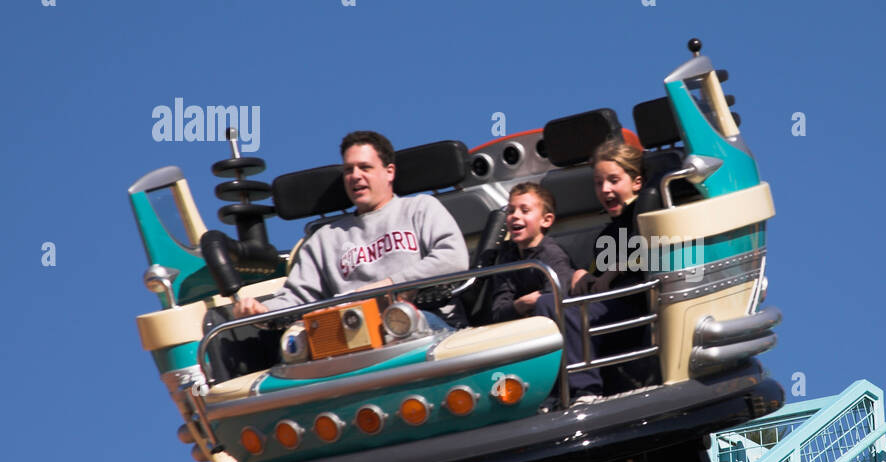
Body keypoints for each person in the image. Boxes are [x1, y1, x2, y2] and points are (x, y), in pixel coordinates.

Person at [232, 130, 469, 323]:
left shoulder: (420, 208)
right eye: (348, 170)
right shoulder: (323, 240)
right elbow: (296, 298)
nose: (355, 176)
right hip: (353, 335)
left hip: (426, 323)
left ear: (389, 172)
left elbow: (453, 259)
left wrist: (389, 287)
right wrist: (260, 310)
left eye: (365, 167)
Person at [535, 139, 659, 400]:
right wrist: (584, 275)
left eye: (614, 180)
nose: (605, 189)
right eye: (599, 183)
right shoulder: (609, 231)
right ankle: (554, 393)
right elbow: (598, 275)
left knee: (570, 314)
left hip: (636, 307)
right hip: (606, 307)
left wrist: (615, 270)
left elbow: (657, 251)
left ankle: (586, 392)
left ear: (636, 182)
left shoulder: (646, 214)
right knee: (547, 304)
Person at [488, 182, 576, 322]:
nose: (515, 216)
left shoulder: (552, 255)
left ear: (546, 220)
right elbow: (498, 312)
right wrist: (521, 304)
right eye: (511, 211)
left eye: (525, 210)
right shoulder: (508, 257)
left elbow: (556, 301)